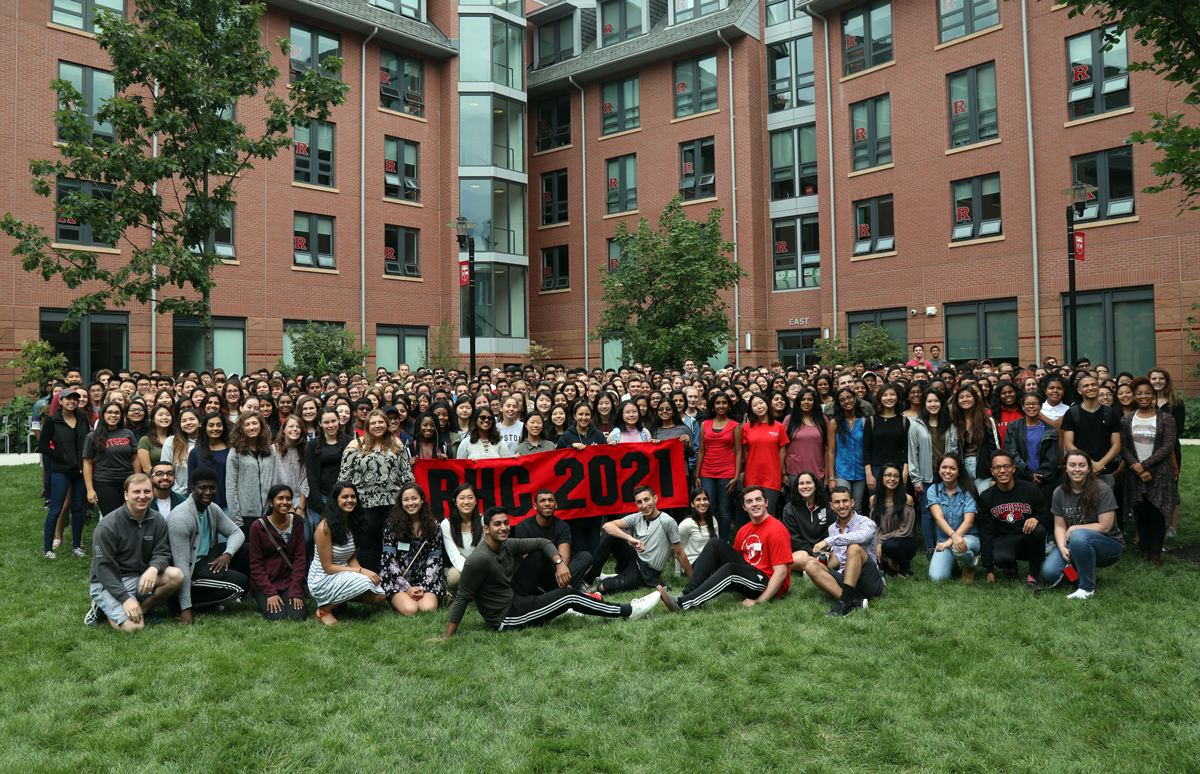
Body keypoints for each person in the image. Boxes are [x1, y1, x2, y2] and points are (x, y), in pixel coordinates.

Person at [436, 507, 660, 638]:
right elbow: (463, 597)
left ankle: (557, 604)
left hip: (515, 596)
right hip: (509, 616)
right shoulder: (479, 559)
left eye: (506, 523)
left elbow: (543, 542)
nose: (503, 527)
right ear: (486, 528)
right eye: (497, 524)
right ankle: (628, 610)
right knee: (569, 594)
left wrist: (559, 562)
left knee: (538, 554)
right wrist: (447, 637)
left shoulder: (505, 544)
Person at [656, 486, 792, 613]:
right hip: (750, 572)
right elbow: (738, 560)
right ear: (744, 507)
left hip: (766, 581)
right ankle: (686, 592)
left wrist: (759, 601)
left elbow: (781, 573)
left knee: (730, 570)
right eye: (749, 501)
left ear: (766, 502)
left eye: (758, 500)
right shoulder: (744, 530)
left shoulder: (776, 530)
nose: (755, 504)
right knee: (715, 543)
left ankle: (683, 603)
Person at [84, 474, 186, 631]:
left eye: (147, 491)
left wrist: (154, 568)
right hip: (109, 583)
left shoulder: (157, 520)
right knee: (134, 628)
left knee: (176, 575)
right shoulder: (107, 526)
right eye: (136, 492)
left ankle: (142, 609)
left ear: (152, 494)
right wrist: (125, 599)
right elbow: (103, 569)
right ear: (126, 495)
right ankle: (102, 607)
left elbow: (163, 552)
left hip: (139, 578)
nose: (142, 496)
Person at [165, 466, 251, 623]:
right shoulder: (180, 518)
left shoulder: (212, 508)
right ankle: (180, 603)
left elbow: (236, 533)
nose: (208, 492)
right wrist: (186, 609)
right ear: (192, 489)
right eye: (202, 488)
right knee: (240, 585)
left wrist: (228, 554)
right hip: (191, 569)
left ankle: (210, 594)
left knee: (249, 550)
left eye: (212, 488)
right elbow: (182, 566)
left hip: (207, 558)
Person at [338, 409, 416, 573]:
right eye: (373, 423)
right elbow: (345, 477)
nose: (377, 425)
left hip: (394, 504)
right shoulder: (355, 445)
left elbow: (407, 476)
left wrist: (408, 500)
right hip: (365, 504)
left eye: (381, 422)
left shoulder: (397, 445)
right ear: (367, 426)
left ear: (387, 424)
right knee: (368, 544)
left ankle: (393, 579)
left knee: (393, 542)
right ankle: (370, 581)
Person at [579, 485, 691, 595]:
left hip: (647, 572)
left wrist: (694, 579)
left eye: (647, 500)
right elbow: (607, 526)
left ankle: (618, 577)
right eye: (639, 502)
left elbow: (679, 553)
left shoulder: (667, 521)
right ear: (636, 504)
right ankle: (589, 581)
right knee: (611, 536)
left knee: (603, 587)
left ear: (655, 499)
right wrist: (630, 538)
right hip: (634, 559)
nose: (644, 505)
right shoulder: (637, 517)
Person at [1042, 450, 1123, 599]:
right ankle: (1084, 569)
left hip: (1108, 546)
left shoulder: (1102, 489)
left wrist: (1074, 528)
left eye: (1082, 465)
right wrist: (1061, 548)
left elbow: (1105, 526)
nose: (1077, 469)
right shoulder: (1059, 492)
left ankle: (1086, 589)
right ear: (1065, 468)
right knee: (1050, 572)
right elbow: (1059, 526)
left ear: (1089, 469)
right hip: (1076, 542)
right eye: (1072, 465)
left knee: (1078, 535)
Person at [308, 482, 387, 625]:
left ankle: (339, 602)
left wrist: (361, 573)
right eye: (345, 497)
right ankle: (324, 610)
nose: (350, 500)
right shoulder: (325, 527)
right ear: (335, 500)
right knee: (364, 581)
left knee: (379, 596)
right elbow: (328, 568)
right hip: (322, 578)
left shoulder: (354, 523)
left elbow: (352, 559)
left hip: (344, 573)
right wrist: (361, 571)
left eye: (353, 496)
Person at [1120, 377, 1178, 566]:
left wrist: (1144, 466)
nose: (1143, 396)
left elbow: (1168, 445)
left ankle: (1156, 553)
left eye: (1147, 393)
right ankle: (1144, 550)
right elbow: (1124, 447)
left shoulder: (1166, 418)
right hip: (1134, 472)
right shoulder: (1127, 419)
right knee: (1140, 510)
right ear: (1134, 396)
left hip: (1159, 473)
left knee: (1156, 510)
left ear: (1153, 395)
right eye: (1139, 393)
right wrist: (1137, 466)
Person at [803, 486, 885, 617]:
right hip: (846, 577)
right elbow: (840, 557)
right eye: (837, 502)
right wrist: (822, 565)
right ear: (831, 505)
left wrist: (828, 541)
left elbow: (862, 537)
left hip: (869, 581)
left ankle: (843, 603)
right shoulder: (832, 528)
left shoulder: (866, 522)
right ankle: (851, 601)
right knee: (809, 565)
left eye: (845, 501)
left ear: (852, 502)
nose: (841, 505)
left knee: (853, 547)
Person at [977, 450, 1052, 589]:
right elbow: (986, 533)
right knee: (1001, 558)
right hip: (1005, 539)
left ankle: (1033, 576)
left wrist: (1036, 519)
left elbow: (1048, 520)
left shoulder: (1030, 490)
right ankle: (1009, 564)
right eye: (997, 467)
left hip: (1028, 538)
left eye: (1006, 466)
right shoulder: (987, 497)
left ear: (1013, 469)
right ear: (992, 472)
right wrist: (989, 570)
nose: (1002, 470)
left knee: (1039, 530)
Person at [39, 387, 89, 558]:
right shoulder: (53, 420)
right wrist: (60, 456)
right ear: (60, 401)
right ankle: (47, 549)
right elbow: (43, 446)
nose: (72, 401)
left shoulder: (83, 419)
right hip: (61, 470)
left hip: (80, 470)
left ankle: (76, 546)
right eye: (68, 398)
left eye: (75, 399)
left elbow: (87, 441)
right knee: (56, 509)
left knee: (77, 508)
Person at [512, 490, 594, 594]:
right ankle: (563, 590)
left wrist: (560, 571)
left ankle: (558, 590)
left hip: (557, 570)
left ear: (556, 505)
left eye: (550, 500)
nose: (547, 503)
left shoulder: (562, 526)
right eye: (542, 501)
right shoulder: (523, 527)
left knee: (585, 556)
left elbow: (565, 558)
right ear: (535, 506)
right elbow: (529, 559)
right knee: (537, 555)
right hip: (535, 574)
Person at [380, 484, 444, 616]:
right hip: (397, 580)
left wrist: (423, 586)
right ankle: (400, 602)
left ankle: (410, 600)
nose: (410, 503)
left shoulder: (434, 526)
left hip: (425, 580)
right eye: (406, 500)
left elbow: (434, 560)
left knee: (428, 608)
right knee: (411, 610)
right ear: (401, 503)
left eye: (414, 498)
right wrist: (407, 588)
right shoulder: (391, 526)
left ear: (422, 500)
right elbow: (389, 561)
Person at [247, 484, 307, 621]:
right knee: (277, 617)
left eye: (288, 499)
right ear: (271, 502)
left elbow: (300, 559)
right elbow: (255, 564)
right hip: (265, 582)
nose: (285, 502)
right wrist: (270, 593)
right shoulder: (258, 526)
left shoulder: (298, 522)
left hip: (289, 581)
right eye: (280, 498)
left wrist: (296, 589)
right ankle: (263, 599)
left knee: (298, 616)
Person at [693, 392, 742, 541]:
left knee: (724, 510)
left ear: (729, 406)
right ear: (713, 406)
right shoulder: (704, 424)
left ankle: (724, 541)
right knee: (707, 508)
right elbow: (701, 451)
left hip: (727, 472)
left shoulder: (735, 426)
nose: (721, 406)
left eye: (724, 403)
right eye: (718, 403)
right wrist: (697, 475)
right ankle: (708, 540)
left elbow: (739, 453)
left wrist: (736, 477)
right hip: (707, 472)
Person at [925, 454, 980, 582]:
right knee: (936, 578)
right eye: (944, 467)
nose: (947, 471)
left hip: (970, 538)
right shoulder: (933, 490)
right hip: (944, 540)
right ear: (938, 470)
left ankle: (970, 565)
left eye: (952, 468)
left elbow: (969, 521)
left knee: (957, 547)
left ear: (959, 471)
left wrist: (951, 541)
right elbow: (938, 518)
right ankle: (954, 564)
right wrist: (951, 539)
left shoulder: (968, 490)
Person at [1061, 373, 1120, 489]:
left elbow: (1117, 446)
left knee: (1106, 505)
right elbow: (1068, 445)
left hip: (1105, 470)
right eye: (1086, 386)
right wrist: (1090, 464)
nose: (1090, 388)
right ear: (1079, 390)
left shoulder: (1109, 412)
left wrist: (1100, 465)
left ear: (1098, 387)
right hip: (1080, 471)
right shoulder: (1072, 413)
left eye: (1094, 384)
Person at [225, 411, 277, 540]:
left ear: (261, 426)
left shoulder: (269, 451)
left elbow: (274, 481)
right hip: (246, 516)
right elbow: (231, 487)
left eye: (255, 423)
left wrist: (273, 510)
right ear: (241, 429)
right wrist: (237, 520)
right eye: (247, 424)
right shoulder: (235, 452)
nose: (251, 427)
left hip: (268, 514)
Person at [83, 401, 137, 518]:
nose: (113, 415)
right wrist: (90, 489)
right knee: (112, 518)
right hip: (105, 483)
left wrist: (137, 480)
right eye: (110, 412)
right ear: (103, 414)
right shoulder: (92, 436)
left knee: (131, 515)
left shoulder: (128, 433)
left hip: (127, 482)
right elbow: (87, 463)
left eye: (117, 413)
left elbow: (135, 459)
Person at [1005, 391, 1060, 505]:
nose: (1031, 406)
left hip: (1043, 482)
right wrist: (1028, 475)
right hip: (1020, 479)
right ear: (1023, 406)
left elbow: (1052, 458)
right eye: (1028, 404)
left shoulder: (1050, 430)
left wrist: (1039, 477)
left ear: (1041, 406)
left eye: (1035, 403)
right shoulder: (1013, 427)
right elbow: (1012, 452)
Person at [1148, 366, 1184, 538]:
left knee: (1172, 485)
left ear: (1166, 381)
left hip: (1171, 450)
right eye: (1154, 378)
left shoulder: (1176, 403)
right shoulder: (1146, 400)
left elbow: (1179, 429)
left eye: (1161, 378)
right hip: (1147, 448)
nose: (1157, 381)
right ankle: (1150, 523)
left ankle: (1171, 526)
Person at [739, 394, 789, 518]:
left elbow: (782, 453)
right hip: (752, 475)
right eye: (754, 405)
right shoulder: (746, 427)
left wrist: (782, 473)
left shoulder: (779, 427)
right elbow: (745, 452)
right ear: (751, 410)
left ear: (767, 403)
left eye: (761, 403)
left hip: (772, 476)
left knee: (769, 514)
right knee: (752, 514)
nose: (759, 407)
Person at [778, 471, 833, 574]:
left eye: (808, 483)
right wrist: (812, 552)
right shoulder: (789, 508)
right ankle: (821, 567)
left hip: (824, 549)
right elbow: (793, 538)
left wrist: (824, 548)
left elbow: (831, 529)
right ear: (797, 487)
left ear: (815, 486)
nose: (805, 486)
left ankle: (811, 570)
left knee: (841, 554)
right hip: (803, 552)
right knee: (796, 559)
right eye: (801, 483)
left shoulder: (826, 505)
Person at [946, 384, 998, 492]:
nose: (965, 399)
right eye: (961, 397)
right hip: (962, 469)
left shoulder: (987, 421)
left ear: (975, 398)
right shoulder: (954, 422)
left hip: (984, 471)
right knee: (966, 505)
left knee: (983, 504)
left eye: (968, 396)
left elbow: (995, 449)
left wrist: (995, 475)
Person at [870, 463, 917, 577]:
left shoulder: (907, 499)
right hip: (884, 542)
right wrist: (879, 543)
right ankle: (888, 560)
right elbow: (875, 526)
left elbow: (905, 530)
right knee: (878, 569)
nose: (892, 479)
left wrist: (881, 543)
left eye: (896, 476)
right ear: (882, 477)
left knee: (889, 545)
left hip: (904, 543)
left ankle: (906, 569)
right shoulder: (874, 499)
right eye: (888, 475)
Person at [863, 383, 909, 492]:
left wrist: (905, 471)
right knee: (876, 505)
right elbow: (866, 449)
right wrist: (868, 474)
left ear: (897, 397)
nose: (889, 398)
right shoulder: (872, 421)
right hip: (876, 470)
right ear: (879, 398)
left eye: (892, 394)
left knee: (899, 505)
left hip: (898, 469)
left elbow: (907, 449)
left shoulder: (903, 421)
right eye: (884, 395)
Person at [827, 388, 868, 507]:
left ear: (855, 398)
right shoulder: (834, 423)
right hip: (841, 471)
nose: (847, 401)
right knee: (842, 506)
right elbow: (831, 451)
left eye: (849, 397)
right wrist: (831, 478)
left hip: (861, 471)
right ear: (838, 403)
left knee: (857, 508)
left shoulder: (865, 421)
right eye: (842, 399)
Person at [441, 483, 484, 597]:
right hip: (460, 567)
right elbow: (454, 554)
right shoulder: (447, 524)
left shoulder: (484, 520)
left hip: (481, 565)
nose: (466, 502)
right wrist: (471, 570)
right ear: (455, 502)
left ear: (476, 501)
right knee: (455, 578)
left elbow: (484, 552)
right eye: (462, 498)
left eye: (470, 498)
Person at [782, 388, 828, 488]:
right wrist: (783, 473)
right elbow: (782, 449)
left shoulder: (822, 419)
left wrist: (828, 476)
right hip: (793, 473)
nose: (806, 402)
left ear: (814, 402)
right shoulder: (789, 419)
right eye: (803, 399)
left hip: (817, 473)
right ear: (798, 402)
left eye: (810, 399)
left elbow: (827, 449)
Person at [187, 412, 231, 510]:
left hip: (228, 505)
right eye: (211, 425)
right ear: (204, 429)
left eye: (219, 425)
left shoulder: (232, 451)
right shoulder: (195, 453)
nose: (215, 428)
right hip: (202, 505)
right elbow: (191, 482)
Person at [272, 414, 310, 523]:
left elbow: (305, 480)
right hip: (279, 501)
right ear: (283, 430)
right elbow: (274, 478)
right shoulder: (273, 450)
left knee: (306, 537)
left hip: (300, 502)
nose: (295, 429)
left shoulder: (305, 450)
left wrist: (301, 508)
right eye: (291, 426)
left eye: (298, 427)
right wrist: (289, 507)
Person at [674, 487, 718, 575]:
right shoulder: (686, 524)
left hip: (711, 563)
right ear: (692, 504)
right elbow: (678, 551)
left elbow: (717, 545)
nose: (702, 503)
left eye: (705, 499)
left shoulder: (712, 520)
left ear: (709, 502)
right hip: (692, 565)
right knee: (711, 548)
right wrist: (677, 574)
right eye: (698, 500)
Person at [162, 407, 201, 495]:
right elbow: (165, 468)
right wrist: (177, 492)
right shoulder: (171, 441)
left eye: (192, 419)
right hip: (175, 493)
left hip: (201, 493)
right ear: (180, 425)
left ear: (200, 423)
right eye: (184, 421)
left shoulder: (206, 443)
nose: (188, 423)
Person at [136, 404, 174, 474]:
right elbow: (147, 469)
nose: (165, 417)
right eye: (160, 415)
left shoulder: (176, 439)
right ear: (153, 419)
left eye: (168, 415)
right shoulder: (145, 440)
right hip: (155, 481)